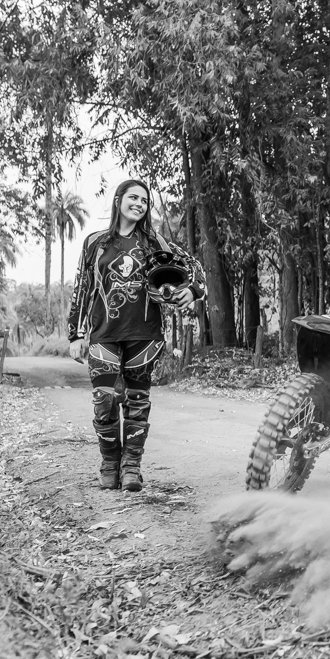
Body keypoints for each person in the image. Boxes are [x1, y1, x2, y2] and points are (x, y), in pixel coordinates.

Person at [67, 179, 206, 492]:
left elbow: (194, 266)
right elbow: (82, 288)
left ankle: (131, 467)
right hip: (103, 332)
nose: (139, 204)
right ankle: (109, 463)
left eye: (145, 201)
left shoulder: (154, 242)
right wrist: (75, 335)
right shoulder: (94, 242)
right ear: (118, 200)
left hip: (145, 334)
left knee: (137, 400)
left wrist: (193, 292)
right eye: (133, 197)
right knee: (104, 399)